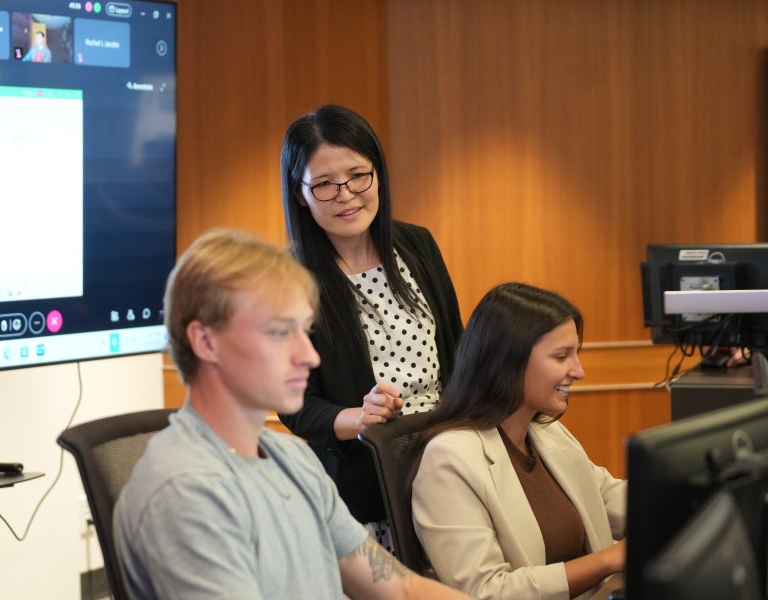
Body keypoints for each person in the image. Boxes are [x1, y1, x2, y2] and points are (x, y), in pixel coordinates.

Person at [113, 228, 476, 600]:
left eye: (305, 331)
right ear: (206, 342)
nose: (310, 356)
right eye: (279, 333)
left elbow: (399, 588)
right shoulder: (185, 495)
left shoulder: (291, 458)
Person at [278, 104, 463, 549]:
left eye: (358, 175)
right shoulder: (288, 278)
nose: (346, 195)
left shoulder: (416, 245)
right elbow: (294, 404)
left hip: (451, 466)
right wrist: (357, 417)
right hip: (369, 485)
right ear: (300, 194)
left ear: (377, 173)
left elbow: (459, 352)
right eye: (323, 184)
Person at [410, 282, 626, 600]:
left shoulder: (545, 433)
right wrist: (606, 560)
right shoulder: (448, 460)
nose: (578, 371)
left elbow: (609, 497)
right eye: (562, 356)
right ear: (508, 361)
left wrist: (695, 495)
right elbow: (486, 592)